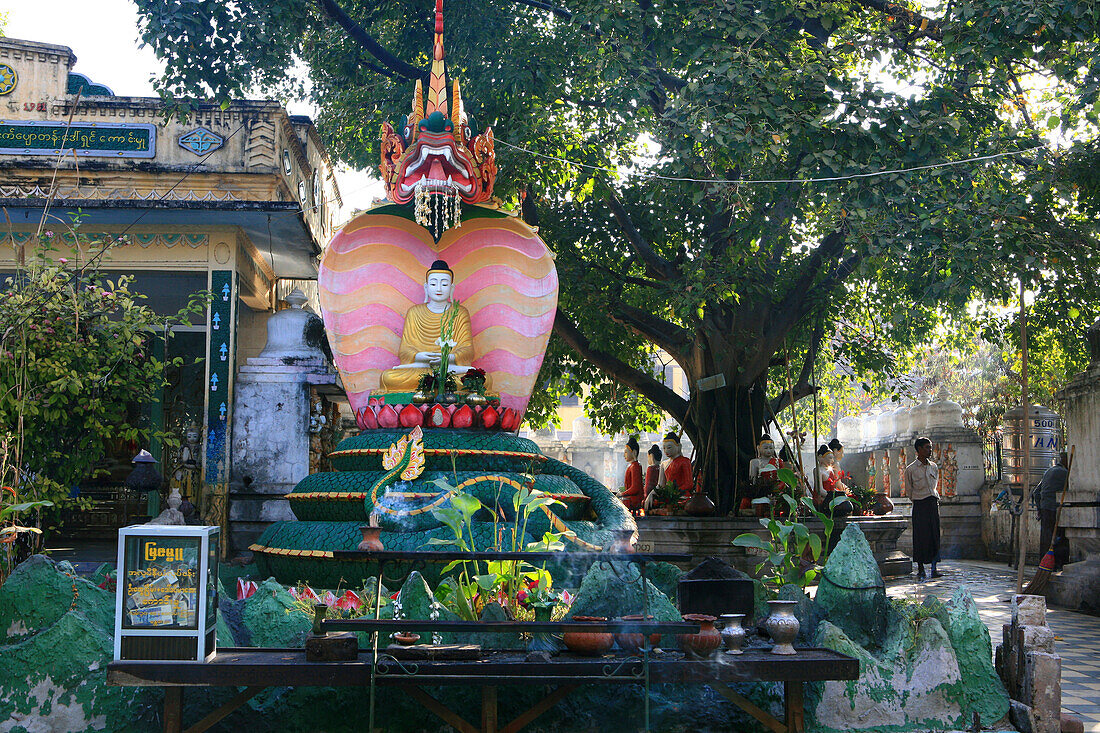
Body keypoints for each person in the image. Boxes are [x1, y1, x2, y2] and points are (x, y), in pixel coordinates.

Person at [379, 260, 482, 392]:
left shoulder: (460, 313)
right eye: (433, 284)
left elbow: (467, 350)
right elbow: (404, 351)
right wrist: (420, 356)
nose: (438, 289)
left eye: (444, 284)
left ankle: (436, 383)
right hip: (420, 368)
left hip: (450, 369)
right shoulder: (414, 312)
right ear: (426, 287)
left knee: (478, 380)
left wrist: (447, 358)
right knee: (389, 378)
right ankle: (436, 384)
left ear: (452, 288)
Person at [904, 436, 941, 580]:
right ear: (919, 449)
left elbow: (935, 484)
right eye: (927, 447)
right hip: (920, 503)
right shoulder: (911, 469)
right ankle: (920, 568)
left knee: (934, 535)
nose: (930, 450)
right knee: (920, 536)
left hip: (932, 502)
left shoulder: (933, 466)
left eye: (930, 447)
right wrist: (918, 499)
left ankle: (934, 567)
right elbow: (909, 489)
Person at [1033, 451, 1069, 559]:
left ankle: (1044, 562)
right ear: (1065, 461)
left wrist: (1039, 508)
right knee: (1060, 537)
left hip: (1045, 508)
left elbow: (1036, 492)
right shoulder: (1065, 473)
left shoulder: (1048, 471)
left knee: (1046, 537)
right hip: (1056, 509)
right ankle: (1058, 562)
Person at [620, 436, 644, 515]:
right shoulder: (631, 466)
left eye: (626, 452)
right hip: (630, 497)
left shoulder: (636, 466)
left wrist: (622, 494)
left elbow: (635, 488)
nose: (624, 455)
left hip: (634, 499)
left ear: (634, 452)